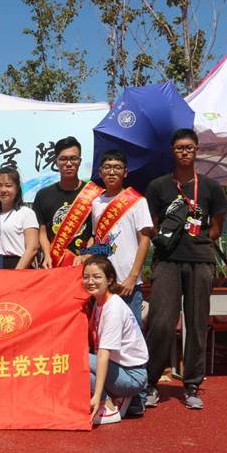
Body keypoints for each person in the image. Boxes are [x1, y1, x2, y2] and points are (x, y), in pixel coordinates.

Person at [143, 128, 227, 410]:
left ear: (197, 150)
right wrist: (168, 237)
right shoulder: (158, 187)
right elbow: (151, 225)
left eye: (189, 147)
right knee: (161, 323)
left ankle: (192, 384)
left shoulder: (211, 187)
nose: (184, 152)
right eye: (179, 147)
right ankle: (151, 382)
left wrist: (197, 239)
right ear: (172, 151)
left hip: (200, 261)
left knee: (197, 324)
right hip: (166, 260)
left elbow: (216, 228)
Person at [76, 150, 152, 416]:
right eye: (107, 167)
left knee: (132, 338)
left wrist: (132, 276)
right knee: (102, 338)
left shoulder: (137, 201)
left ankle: (137, 398)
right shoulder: (96, 202)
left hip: (127, 282)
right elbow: (98, 241)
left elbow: (144, 239)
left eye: (117, 167)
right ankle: (110, 396)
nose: (111, 171)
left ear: (125, 172)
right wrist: (85, 255)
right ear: (100, 172)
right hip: (103, 282)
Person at [83, 255, 149, 425]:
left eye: (97, 277)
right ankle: (118, 396)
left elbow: (103, 354)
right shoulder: (99, 302)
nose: (90, 282)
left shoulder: (113, 308)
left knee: (76, 359)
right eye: (86, 277)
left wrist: (98, 395)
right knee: (79, 359)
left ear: (110, 279)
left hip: (132, 375)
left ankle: (107, 405)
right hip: (123, 368)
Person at [33, 136, 101, 268]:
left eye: (73, 158)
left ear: (79, 161)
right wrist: (47, 255)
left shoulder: (95, 194)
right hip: (54, 264)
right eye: (63, 159)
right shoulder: (43, 195)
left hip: (85, 265)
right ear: (56, 162)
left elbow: (96, 233)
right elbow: (42, 232)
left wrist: (86, 254)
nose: (68, 164)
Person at [0, 167, 39, 270]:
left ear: (17, 189)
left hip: (19, 268)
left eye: (8, 186)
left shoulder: (26, 213)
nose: (3, 190)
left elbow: (32, 248)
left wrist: (16, 274)